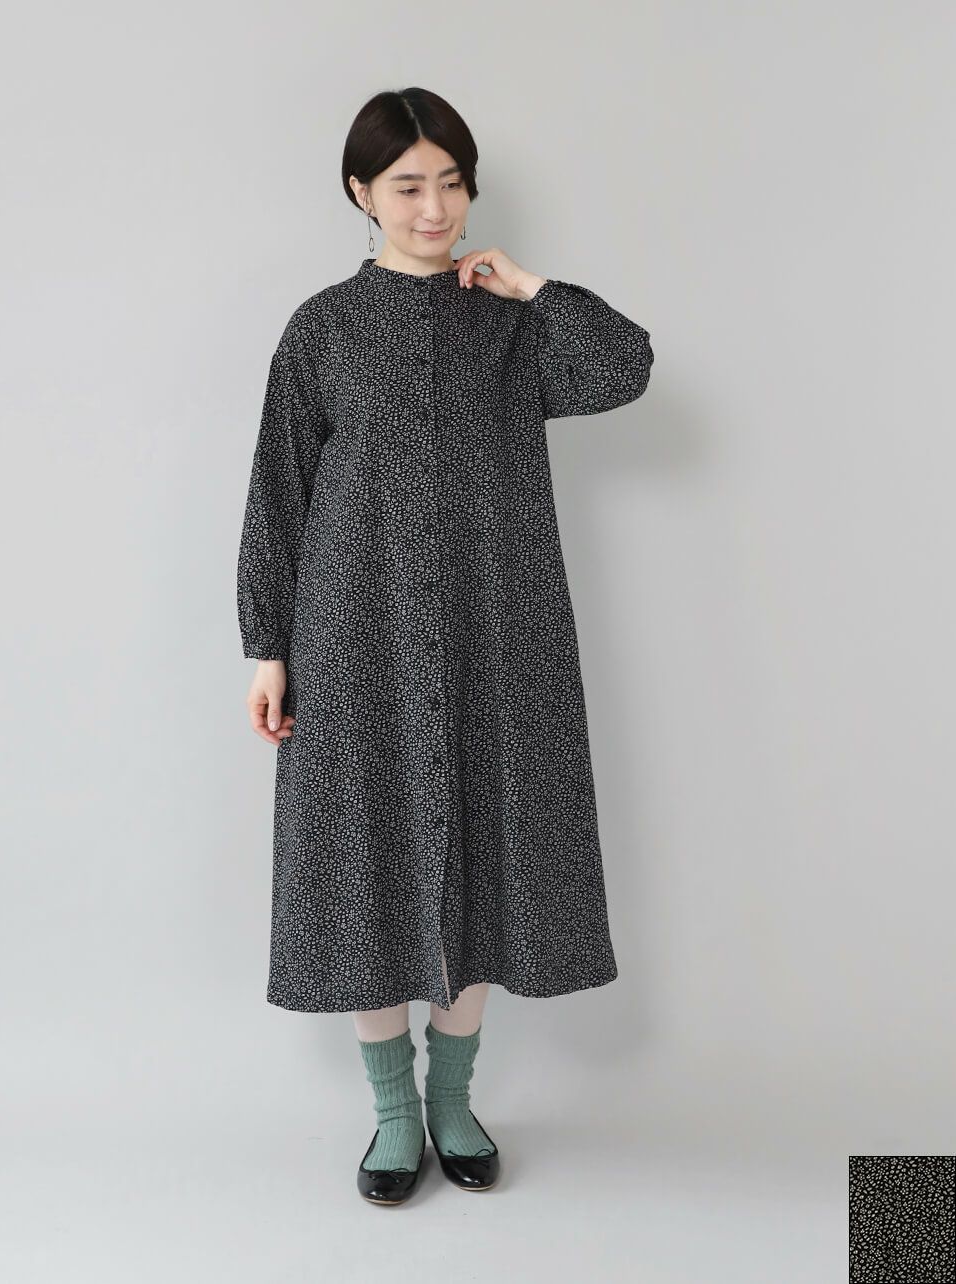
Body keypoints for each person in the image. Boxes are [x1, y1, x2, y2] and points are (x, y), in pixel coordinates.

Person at [236, 87, 654, 1206]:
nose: (435, 208)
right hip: (353, 634)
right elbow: (279, 489)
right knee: (366, 860)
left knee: (482, 855)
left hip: (496, 632)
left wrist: (534, 289)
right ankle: (391, 1115)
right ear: (361, 194)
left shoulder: (507, 323)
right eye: (409, 185)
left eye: (452, 183)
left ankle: (454, 1100)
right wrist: (268, 645)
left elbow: (623, 367)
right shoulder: (322, 329)